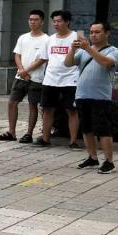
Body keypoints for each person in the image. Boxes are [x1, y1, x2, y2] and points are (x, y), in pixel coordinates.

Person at [67, 21, 118, 174]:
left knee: (103, 130)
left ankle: (109, 162)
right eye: (91, 32)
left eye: (97, 32)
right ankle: (92, 157)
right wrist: (73, 49)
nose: (93, 35)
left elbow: (106, 63)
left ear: (107, 33)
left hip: (101, 97)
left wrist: (88, 49)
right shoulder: (84, 51)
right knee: (87, 129)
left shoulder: (113, 51)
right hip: (82, 95)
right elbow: (68, 63)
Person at [0, 10, 47, 143]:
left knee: (32, 105)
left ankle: (29, 133)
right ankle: (11, 132)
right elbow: (17, 55)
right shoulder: (23, 37)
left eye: (36, 20)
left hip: (36, 78)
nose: (32, 22)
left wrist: (27, 71)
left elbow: (42, 59)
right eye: (30, 19)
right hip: (20, 77)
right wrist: (22, 70)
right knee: (12, 102)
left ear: (42, 22)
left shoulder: (46, 39)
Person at [37, 10, 81, 149]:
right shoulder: (50, 39)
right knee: (47, 109)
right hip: (51, 79)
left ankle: (73, 141)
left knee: (72, 110)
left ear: (67, 22)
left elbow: (82, 57)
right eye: (54, 21)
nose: (56, 24)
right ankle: (45, 138)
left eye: (59, 21)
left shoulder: (77, 37)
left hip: (71, 79)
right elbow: (44, 58)